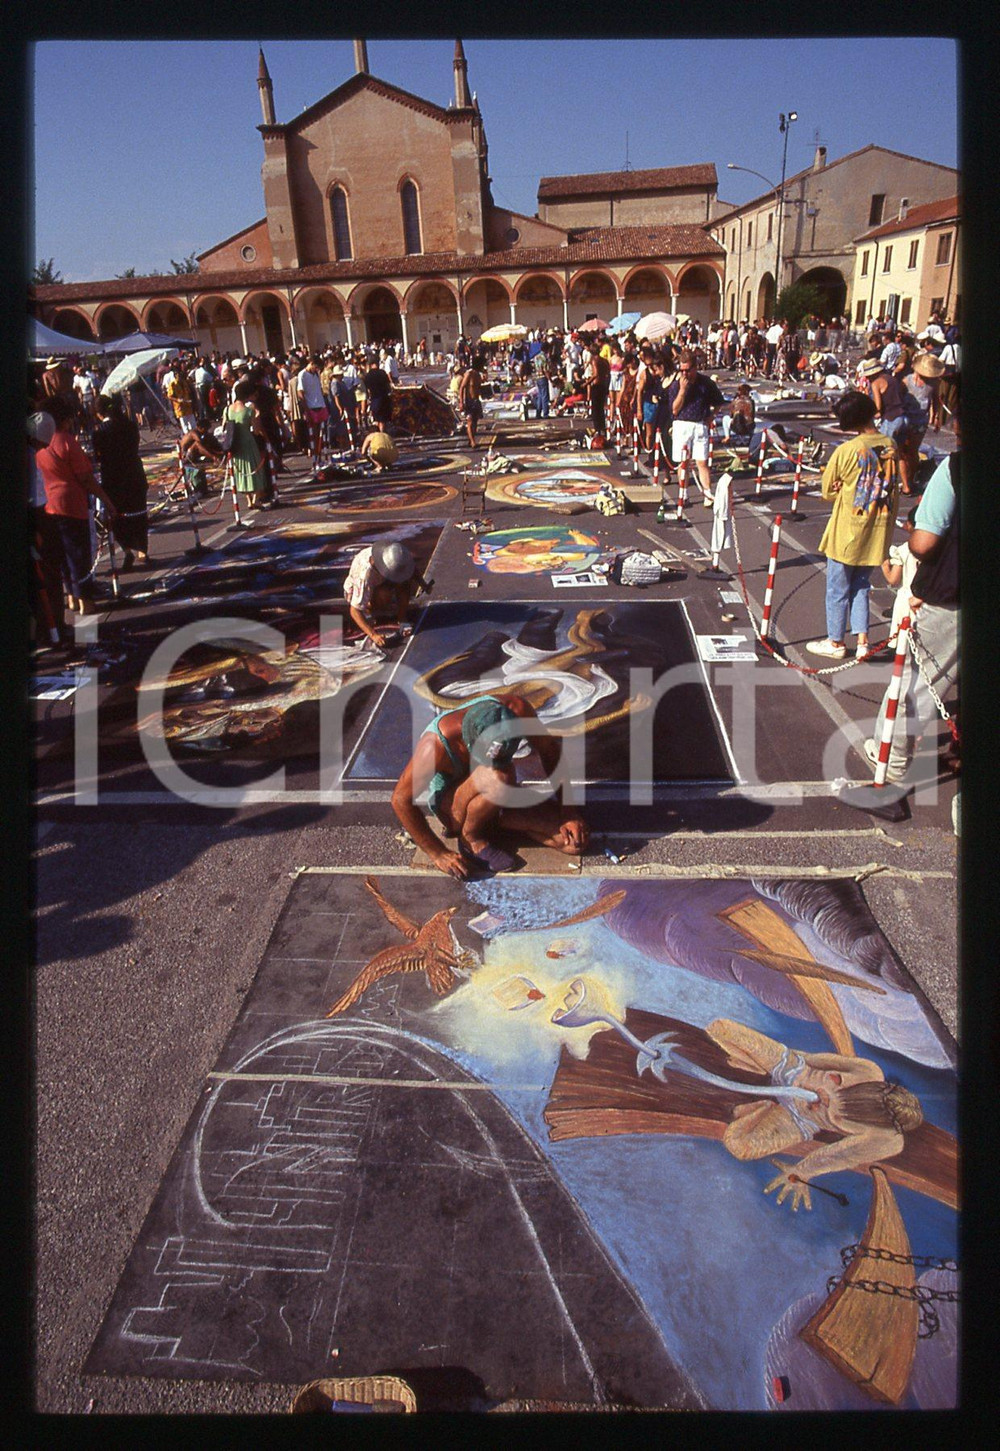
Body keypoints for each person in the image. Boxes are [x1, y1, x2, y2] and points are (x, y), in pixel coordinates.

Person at [391, 694, 590, 879]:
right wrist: (438, 853)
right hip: (453, 807)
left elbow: (550, 753)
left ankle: (495, 822)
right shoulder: (435, 746)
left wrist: (568, 811)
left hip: (498, 794)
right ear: (468, 740)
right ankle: (471, 837)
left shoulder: (519, 710)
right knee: (500, 775)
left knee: (573, 843)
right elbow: (400, 800)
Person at [863, 407, 959, 782]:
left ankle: (894, 759)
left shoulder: (954, 470)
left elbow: (923, 543)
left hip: (951, 594)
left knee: (914, 686)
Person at [807, 389, 899, 661]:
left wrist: (840, 488)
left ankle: (836, 641)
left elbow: (827, 491)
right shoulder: (890, 444)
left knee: (837, 588)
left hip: (848, 529)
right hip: (878, 530)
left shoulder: (847, 451)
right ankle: (862, 641)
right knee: (861, 585)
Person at [34, 396, 118, 614]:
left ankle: (72, 598)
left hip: (49, 505)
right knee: (79, 558)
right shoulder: (65, 441)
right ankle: (86, 604)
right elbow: (86, 478)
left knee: (62, 558)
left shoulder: (38, 442)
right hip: (72, 504)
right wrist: (107, 501)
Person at [92, 394, 150, 569]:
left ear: (99, 412)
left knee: (117, 515)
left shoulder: (100, 431)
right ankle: (143, 551)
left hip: (113, 478)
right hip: (134, 473)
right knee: (139, 512)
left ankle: (127, 551)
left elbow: (98, 456)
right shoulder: (131, 425)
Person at [666, 349, 724, 505]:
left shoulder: (706, 383)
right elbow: (674, 409)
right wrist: (683, 391)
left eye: (688, 370)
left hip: (699, 424)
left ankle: (707, 494)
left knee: (702, 462)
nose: (685, 374)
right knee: (682, 463)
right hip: (682, 425)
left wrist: (711, 417)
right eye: (682, 370)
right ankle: (683, 493)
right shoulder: (675, 385)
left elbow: (719, 402)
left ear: (695, 367)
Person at [343, 539, 422, 647]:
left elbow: (409, 567)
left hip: (380, 580)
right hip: (357, 591)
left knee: (404, 580)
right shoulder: (365, 576)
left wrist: (422, 582)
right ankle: (370, 610)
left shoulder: (390, 553)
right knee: (383, 594)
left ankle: (402, 618)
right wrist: (373, 635)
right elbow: (354, 611)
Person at [225, 378, 267, 510]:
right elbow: (256, 430)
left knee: (241, 471)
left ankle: (249, 500)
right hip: (248, 441)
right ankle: (256, 499)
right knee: (254, 469)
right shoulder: (249, 410)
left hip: (235, 443)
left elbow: (224, 427)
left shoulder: (227, 410)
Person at [296, 356, 329, 474]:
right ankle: (315, 459)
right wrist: (306, 410)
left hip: (321, 405)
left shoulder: (316, 375)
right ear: (311, 363)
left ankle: (321, 458)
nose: (317, 369)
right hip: (311, 407)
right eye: (316, 367)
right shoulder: (302, 375)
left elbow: (318, 389)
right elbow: (300, 392)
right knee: (314, 436)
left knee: (322, 435)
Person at [457, 355, 484, 448]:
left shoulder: (478, 375)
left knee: (475, 421)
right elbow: (462, 388)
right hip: (469, 400)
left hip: (476, 400)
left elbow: (479, 388)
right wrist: (461, 402)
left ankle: (471, 439)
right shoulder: (469, 374)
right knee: (470, 421)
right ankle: (472, 442)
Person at [165, 358, 197, 434]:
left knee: (193, 425)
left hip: (188, 406)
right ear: (175, 376)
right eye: (178, 375)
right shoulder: (172, 384)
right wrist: (178, 400)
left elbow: (189, 392)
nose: (179, 376)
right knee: (185, 426)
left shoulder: (184, 382)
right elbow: (169, 396)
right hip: (180, 407)